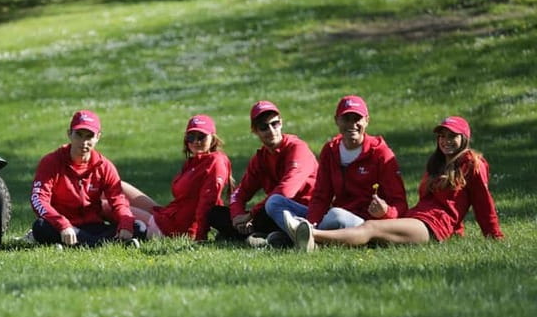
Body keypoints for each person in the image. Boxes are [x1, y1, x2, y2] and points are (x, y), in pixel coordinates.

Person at [287, 116, 504, 251]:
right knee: (374, 236)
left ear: (464, 138)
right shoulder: (437, 164)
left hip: (432, 227)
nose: (446, 140)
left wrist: (494, 236)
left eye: (452, 136)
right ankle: (306, 239)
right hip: (418, 218)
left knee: (371, 228)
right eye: (442, 135)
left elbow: (483, 203)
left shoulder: (472, 163)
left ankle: (311, 235)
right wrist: (457, 230)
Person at [278, 95, 408, 239]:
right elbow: (321, 196)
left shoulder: (381, 153)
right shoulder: (330, 150)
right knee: (275, 202)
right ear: (336, 121)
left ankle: (297, 236)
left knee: (336, 215)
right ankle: (307, 233)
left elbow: (400, 203)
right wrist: (312, 222)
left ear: (367, 121)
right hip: (334, 216)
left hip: (366, 224)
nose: (352, 124)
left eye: (357, 119)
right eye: (346, 119)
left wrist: (386, 212)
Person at [208, 100, 318, 247]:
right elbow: (239, 193)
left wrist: (251, 215)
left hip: (303, 212)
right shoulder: (261, 158)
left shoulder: (297, 148)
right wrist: (237, 216)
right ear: (255, 131)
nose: (271, 130)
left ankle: (252, 236)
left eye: (275, 124)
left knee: (271, 205)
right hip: (270, 212)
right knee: (214, 213)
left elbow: (285, 191)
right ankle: (263, 236)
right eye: (264, 127)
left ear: (281, 123)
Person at [29, 110, 141, 247]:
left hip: (94, 225)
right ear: (69, 134)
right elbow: (39, 199)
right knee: (41, 226)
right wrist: (62, 224)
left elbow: (118, 200)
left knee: (138, 227)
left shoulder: (105, 166)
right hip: (63, 225)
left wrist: (126, 224)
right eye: (79, 135)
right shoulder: (51, 162)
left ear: (98, 137)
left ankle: (78, 244)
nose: (84, 142)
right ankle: (105, 244)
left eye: (89, 136)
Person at [121, 114, 232, 242]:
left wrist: (200, 236)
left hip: (174, 229)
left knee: (107, 206)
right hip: (169, 216)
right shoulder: (194, 162)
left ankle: (96, 232)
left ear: (212, 138)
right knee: (117, 186)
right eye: (191, 137)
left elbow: (208, 202)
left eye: (201, 136)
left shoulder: (215, 162)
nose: (196, 141)